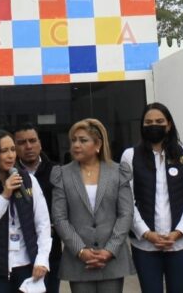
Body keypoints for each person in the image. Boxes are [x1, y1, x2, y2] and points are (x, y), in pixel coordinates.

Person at [121, 102, 183, 293]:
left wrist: (178, 232)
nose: (154, 125)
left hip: (180, 243)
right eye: (148, 122)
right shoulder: (130, 156)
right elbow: (127, 201)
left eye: (159, 121)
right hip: (145, 245)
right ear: (142, 126)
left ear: (169, 124)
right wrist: (147, 233)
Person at [50, 118, 135, 293]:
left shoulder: (118, 172)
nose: (76, 145)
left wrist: (109, 250)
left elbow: (126, 214)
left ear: (98, 145)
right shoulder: (62, 174)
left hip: (111, 260)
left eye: (83, 140)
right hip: (78, 262)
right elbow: (59, 218)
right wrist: (81, 250)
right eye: (73, 140)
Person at [0, 129, 52, 293]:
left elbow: (43, 224)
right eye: (4, 151)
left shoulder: (28, 180)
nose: (10, 156)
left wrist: (42, 259)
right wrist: (5, 194)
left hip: (27, 265)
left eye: (13, 149)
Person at [15, 123, 62, 293]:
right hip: (19, 254)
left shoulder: (56, 171)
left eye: (32, 140)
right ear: (14, 147)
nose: (28, 146)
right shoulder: (8, 174)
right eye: (22, 142)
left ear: (40, 143)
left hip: (51, 251)